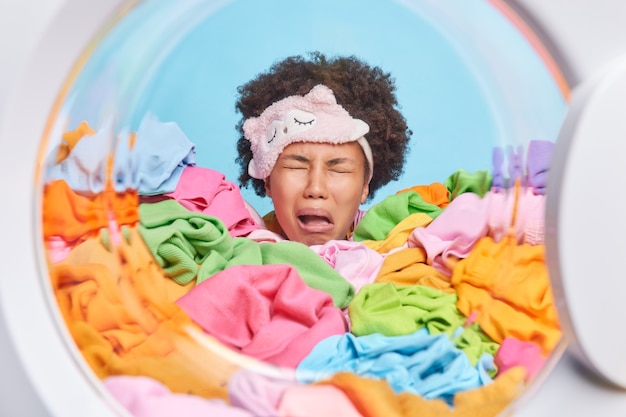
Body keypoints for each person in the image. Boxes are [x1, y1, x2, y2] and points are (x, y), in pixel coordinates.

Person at [234, 52, 412, 246]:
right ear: (268, 181)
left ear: (364, 187)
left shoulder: (403, 247)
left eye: (339, 169)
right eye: (296, 167)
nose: (315, 189)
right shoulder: (233, 251)